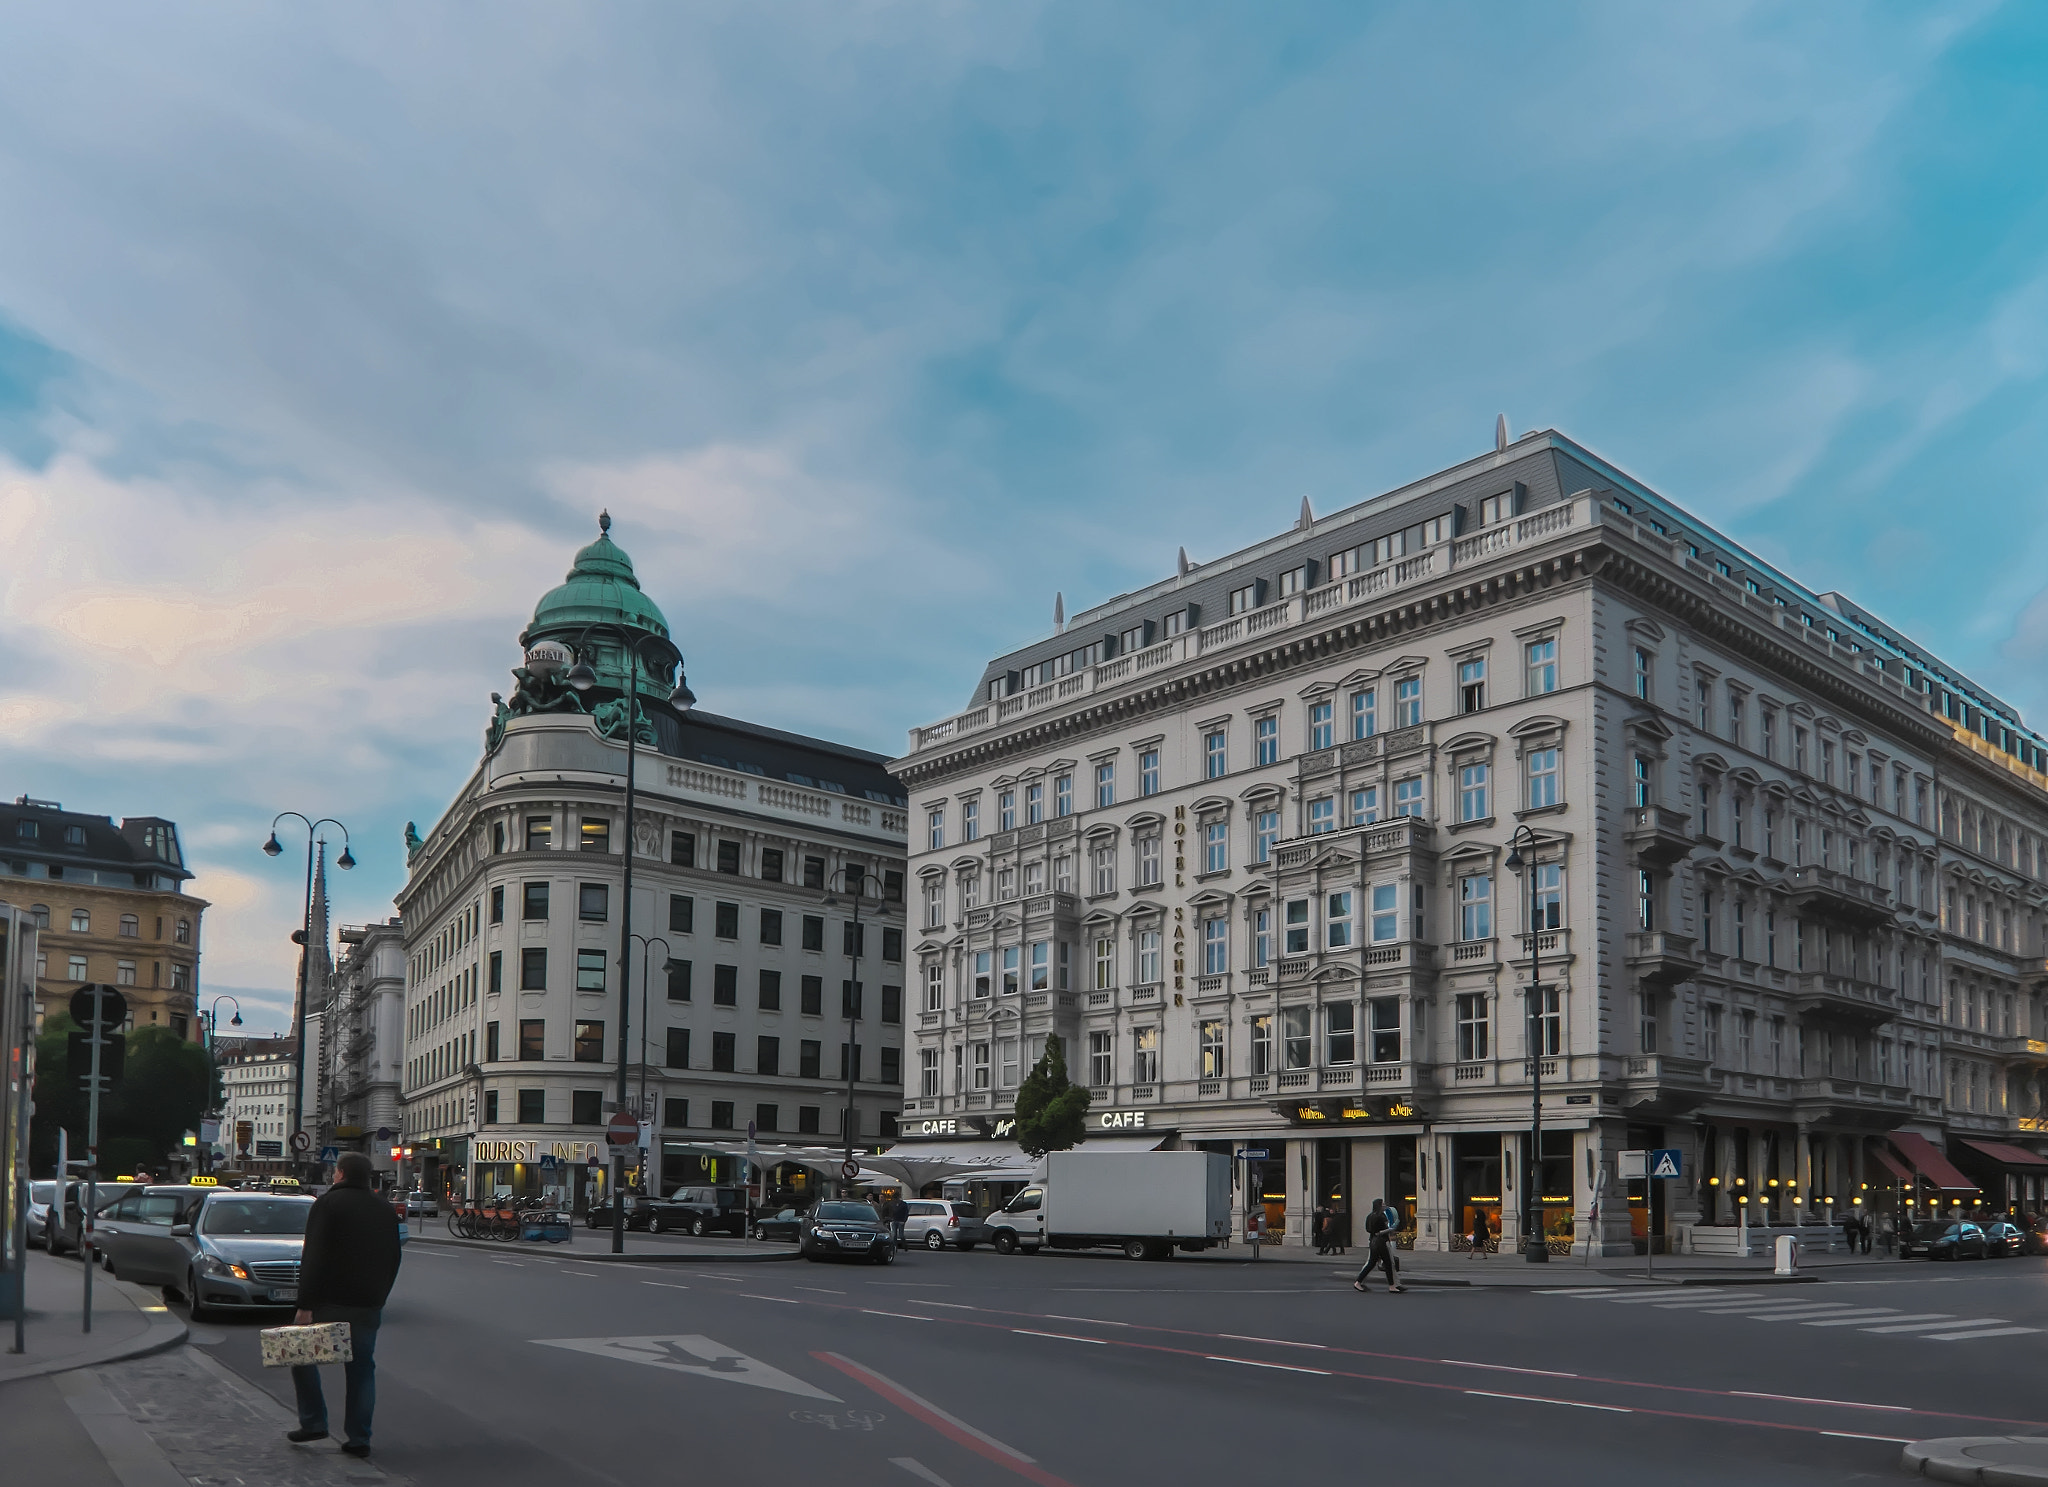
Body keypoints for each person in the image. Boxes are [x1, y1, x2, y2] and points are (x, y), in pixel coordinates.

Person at [287, 1151, 403, 1459]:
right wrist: (380, 1295)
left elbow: (314, 1256)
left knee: (300, 1356)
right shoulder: (384, 1208)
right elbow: (394, 1257)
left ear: (340, 1174)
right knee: (362, 1369)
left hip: (330, 1302)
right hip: (368, 1303)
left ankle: (313, 1423)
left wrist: (305, 1304)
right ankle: (359, 1438)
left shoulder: (327, 1204)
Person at [1353, 1198, 1404, 1293]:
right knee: (1388, 1263)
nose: (1385, 1205)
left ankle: (1358, 1282)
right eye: (1383, 1204)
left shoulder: (1369, 1216)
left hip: (1372, 1242)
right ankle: (1392, 1286)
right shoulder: (1381, 1217)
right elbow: (1386, 1229)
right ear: (1379, 1206)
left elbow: (1368, 1229)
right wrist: (1392, 1228)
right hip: (1382, 1242)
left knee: (1371, 1263)